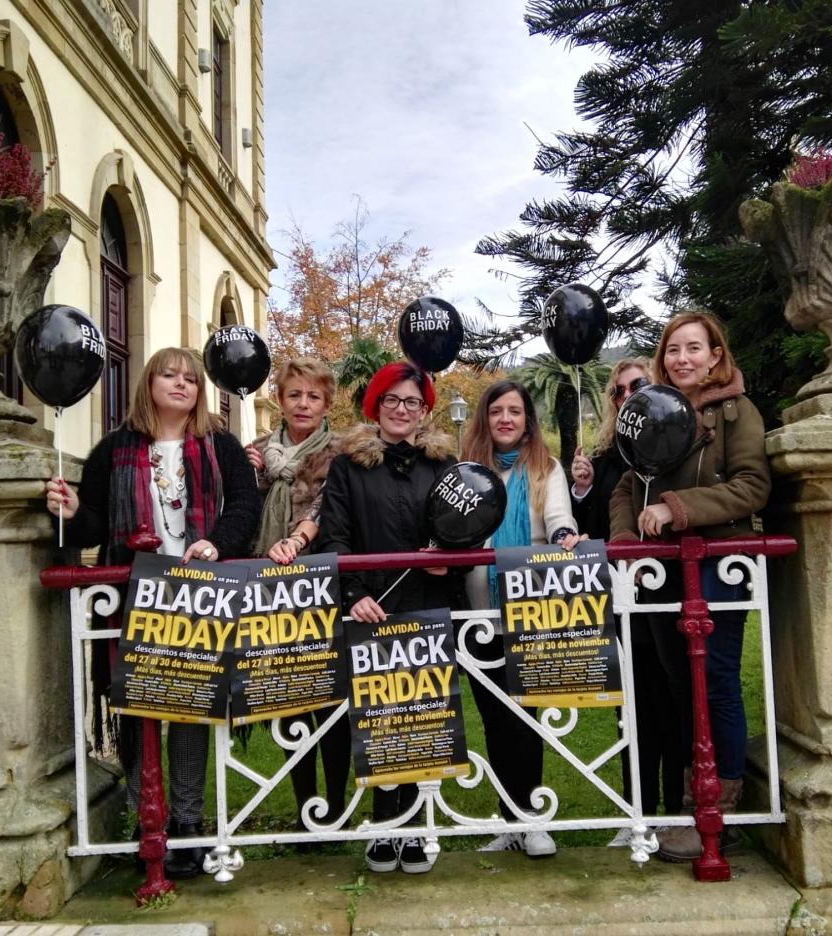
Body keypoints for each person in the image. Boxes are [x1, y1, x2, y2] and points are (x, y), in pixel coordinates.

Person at [44, 347, 260, 878]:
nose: (181, 384)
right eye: (170, 374)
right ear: (150, 383)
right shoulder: (115, 449)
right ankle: (150, 823)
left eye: (190, 378)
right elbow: (94, 522)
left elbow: (244, 506)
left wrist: (214, 544)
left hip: (196, 598)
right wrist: (72, 511)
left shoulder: (221, 446)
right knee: (138, 709)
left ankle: (187, 826)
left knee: (188, 708)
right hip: (130, 597)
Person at [608, 312, 771, 861]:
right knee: (681, 684)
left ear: (716, 356)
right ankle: (689, 799)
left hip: (718, 566)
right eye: (673, 350)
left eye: (694, 349)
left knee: (716, 678)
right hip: (661, 569)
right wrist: (627, 538)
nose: (682, 359)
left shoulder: (735, 411)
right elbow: (627, 485)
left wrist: (676, 508)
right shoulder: (652, 411)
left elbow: (752, 486)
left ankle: (719, 807)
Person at [316, 360, 461, 875]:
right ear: (376, 406)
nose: (403, 410)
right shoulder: (348, 466)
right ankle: (384, 827)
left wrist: (450, 553)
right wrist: (351, 592)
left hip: (426, 601)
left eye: (413, 402)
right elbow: (335, 535)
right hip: (371, 607)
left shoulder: (442, 465)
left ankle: (419, 827)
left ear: (425, 410)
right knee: (380, 717)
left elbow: (460, 528)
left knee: (424, 716)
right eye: (393, 401)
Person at [459, 380, 581, 859]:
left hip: (527, 609)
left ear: (528, 419)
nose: (505, 419)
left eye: (515, 411)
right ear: (484, 419)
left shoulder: (544, 468)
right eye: (496, 411)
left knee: (526, 715)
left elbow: (557, 517)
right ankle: (509, 818)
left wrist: (566, 533)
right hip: (476, 613)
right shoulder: (467, 470)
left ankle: (533, 818)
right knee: (493, 717)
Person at [570, 359, 681, 840]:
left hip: (675, 593)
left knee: (674, 702)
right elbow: (590, 525)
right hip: (624, 597)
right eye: (618, 392)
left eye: (638, 385)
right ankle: (637, 808)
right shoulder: (607, 457)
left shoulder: (680, 437)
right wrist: (581, 487)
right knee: (632, 710)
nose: (627, 395)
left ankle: (676, 810)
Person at [245, 356, 349, 835]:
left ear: (326, 403)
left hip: (322, 586)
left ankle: (335, 803)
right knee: (288, 699)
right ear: (280, 401)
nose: (303, 403)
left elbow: (330, 508)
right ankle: (306, 806)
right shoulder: (258, 453)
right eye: (294, 395)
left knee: (331, 698)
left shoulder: (343, 452)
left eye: (313, 396)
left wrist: (298, 540)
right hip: (270, 594)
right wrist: (248, 477)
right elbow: (240, 511)